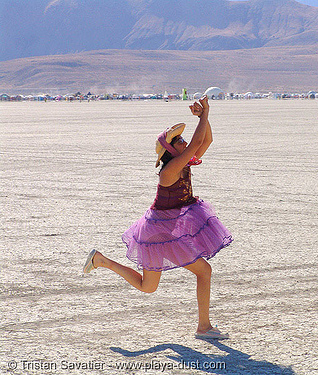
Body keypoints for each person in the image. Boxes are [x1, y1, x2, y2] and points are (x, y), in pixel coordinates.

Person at [83, 96, 233, 340]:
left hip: (163, 233)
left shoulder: (182, 164)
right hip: (156, 234)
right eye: (180, 141)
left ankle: (101, 261)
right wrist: (204, 113)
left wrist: (205, 117)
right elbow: (196, 144)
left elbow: (206, 140)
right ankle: (203, 327)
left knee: (148, 286)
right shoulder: (170, 171)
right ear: (172, 150)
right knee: (203, 271)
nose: (185, 142)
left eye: (183, 139)